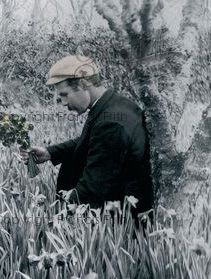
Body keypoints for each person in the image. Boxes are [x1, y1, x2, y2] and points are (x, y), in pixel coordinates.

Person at [20, 55, 154, 230]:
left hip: (118, 228)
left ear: (83, 84)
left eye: (64, 94)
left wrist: (58, 218)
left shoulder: (112, 121)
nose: (63, 103)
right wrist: (49, 152)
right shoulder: (113, 106)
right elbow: (91, 141)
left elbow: (94, 186)